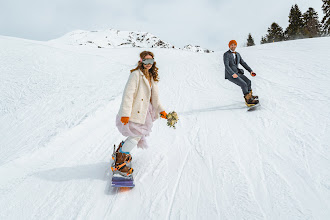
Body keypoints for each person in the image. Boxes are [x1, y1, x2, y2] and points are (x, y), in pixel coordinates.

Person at [111, 51, 167, 177]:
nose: (148, 64)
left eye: (151, 61)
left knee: (137, 135)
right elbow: (128, 95)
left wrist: (161, 110)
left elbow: (155, 98)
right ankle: (119, 162)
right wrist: (125, 113)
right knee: (136, 136)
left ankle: (122, 149)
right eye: (146, 61)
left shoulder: (151, 77)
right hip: (134, 111)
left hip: (144, 112)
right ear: (141, 61)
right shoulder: (136, 75)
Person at [223, 40, 259, 106]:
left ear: (236, 45)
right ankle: (248, 101)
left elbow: (243, 63)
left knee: (248, 82)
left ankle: (250, 96)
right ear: (229, 46)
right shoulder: (226, 54)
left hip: (237, 73)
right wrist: (232, 74)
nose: (233, 46)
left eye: (234, 45)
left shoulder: (237, 54)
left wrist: (251, 71)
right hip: (230, 74)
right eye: (231, 45)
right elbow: (226, 65)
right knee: (243, 84)